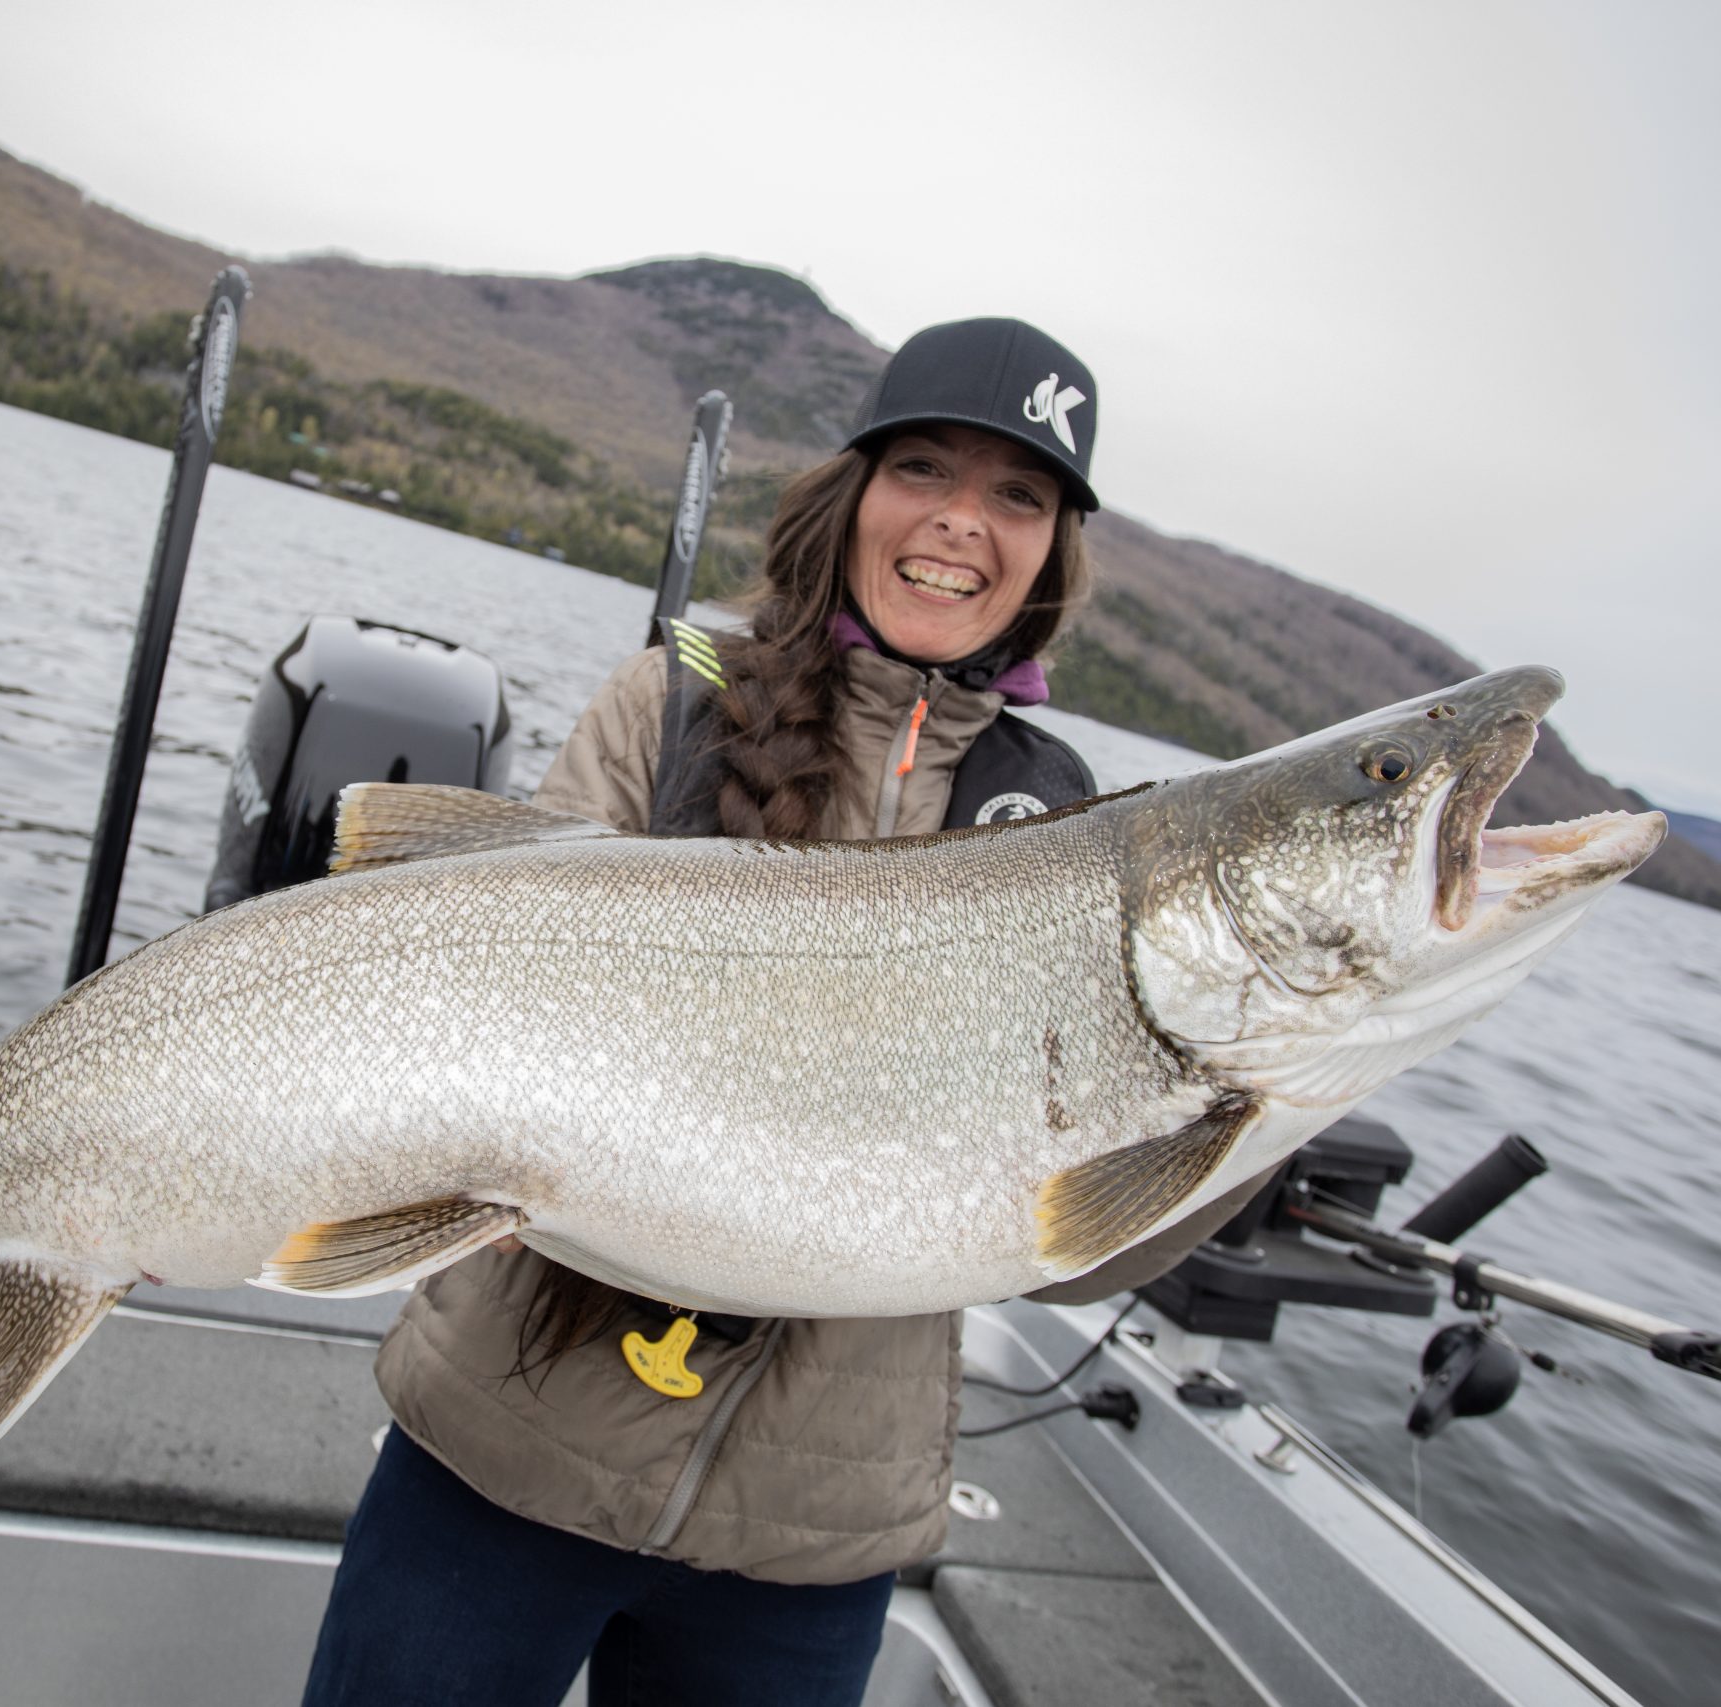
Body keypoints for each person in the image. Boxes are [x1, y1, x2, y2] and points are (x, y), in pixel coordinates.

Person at [299, 318, 1262, 1707]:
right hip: (500, 1458)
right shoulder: (672, 702)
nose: (961, 524)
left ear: (1054, 551)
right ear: (852, 494)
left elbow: (1081, 1255)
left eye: (1019, 496)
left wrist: (1264, 1099)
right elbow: (488, 1012)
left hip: (812, 1548)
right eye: (924, 466)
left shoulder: (1070, 827)